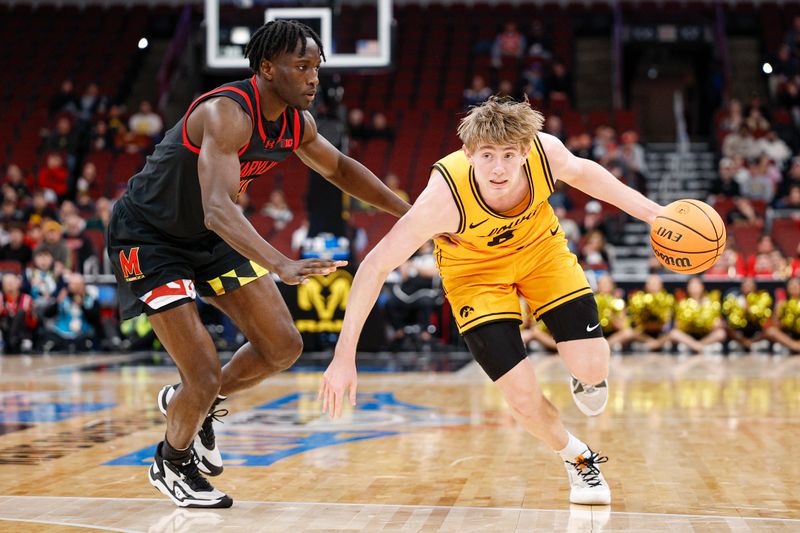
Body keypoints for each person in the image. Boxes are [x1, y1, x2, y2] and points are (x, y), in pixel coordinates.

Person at [105, 20, 411, 509]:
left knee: (283, 345)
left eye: (317, 67)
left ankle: (192, 405)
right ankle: (172, 462)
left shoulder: (296, 123)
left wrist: (410, 213)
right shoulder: (226, 113)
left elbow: (340, 169)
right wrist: (280, 263)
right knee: (201, 372)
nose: (313, 78)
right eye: (301, 66)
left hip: (208, 236)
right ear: (267, 68)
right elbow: (219, 208)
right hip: (150, 238)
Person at [319, 96, 663, 505]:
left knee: (594, 367)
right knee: (519, 396)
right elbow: (373, 267)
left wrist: (655, 214)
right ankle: (578, 458)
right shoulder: (442, 199)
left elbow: (589, 175)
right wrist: (344, 356)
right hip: (474, 275)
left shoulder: (546, 153)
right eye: (486, 156)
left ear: (525, 150)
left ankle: (583, 370)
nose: (498, 168)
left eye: (507, 155)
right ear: (468, 153)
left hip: (540, 253)